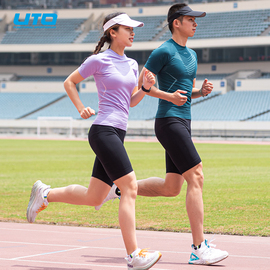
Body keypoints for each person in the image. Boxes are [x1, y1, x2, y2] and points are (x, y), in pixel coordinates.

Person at [26, 12, 162, 270]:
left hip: (117, 133)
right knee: (130, 187)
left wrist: (144, 88)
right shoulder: (98, 60)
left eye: (134, 29)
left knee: (95, 197)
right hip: (103, 131)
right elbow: (70, 82)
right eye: (128, 29)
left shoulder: (133, 65)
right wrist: (80, 108)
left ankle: (45, 193)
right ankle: (134, 255)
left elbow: (130, 102)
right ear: (113, 32)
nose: (133, 33)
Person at [96, 4, 229, 266]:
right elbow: (144, 86)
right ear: (176, 23)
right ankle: (198, 247)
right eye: (191, 19)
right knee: (197, 175)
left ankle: (119, 189)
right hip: (168, 121)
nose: (195, 24)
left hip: (184, 120)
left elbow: (184, 92)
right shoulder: (163, 51)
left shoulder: (191, 54)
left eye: (196, 20)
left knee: (172, 187)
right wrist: (167, 96)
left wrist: (200, 92)